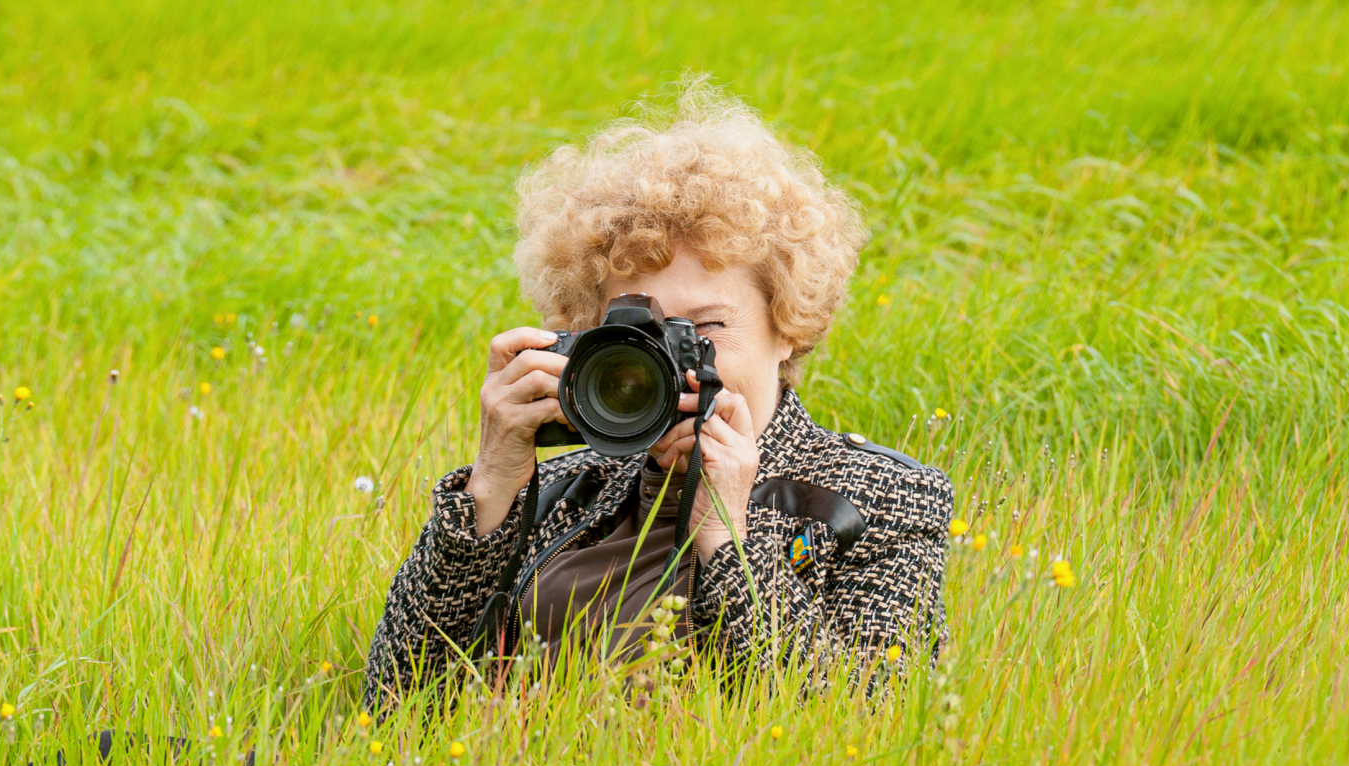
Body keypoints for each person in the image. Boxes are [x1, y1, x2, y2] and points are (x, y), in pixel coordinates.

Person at [364, 83, 954, 708]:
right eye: (643, 335)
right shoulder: (571, 490)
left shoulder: (878, 498)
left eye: (706, 329)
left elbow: (860, 717)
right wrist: (492, 487)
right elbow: (396, 701)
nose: (679, 364)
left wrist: (727, 534)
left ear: (787, 326)